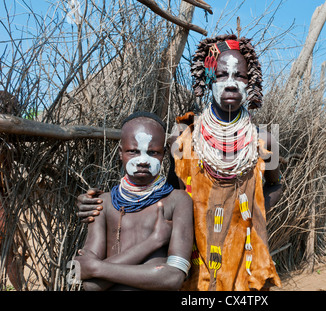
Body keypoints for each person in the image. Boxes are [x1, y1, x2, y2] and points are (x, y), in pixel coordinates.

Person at [77, 34, 282, 291]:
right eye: (221, 75)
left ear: (249, 81)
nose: (230, 84)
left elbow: (276, 186)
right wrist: (95, 203)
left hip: (247, 256)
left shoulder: (266, 140)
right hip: (194, 259)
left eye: (239, 76)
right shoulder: (182, 137)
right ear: (208, 79)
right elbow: (166, 190)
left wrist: (248, 216)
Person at [74, 111, 193, 291]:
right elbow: (90, 285)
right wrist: (154, 241)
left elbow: (173, 278)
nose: (143, 160)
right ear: (121, 153)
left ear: (163, 155)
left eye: (152, 152)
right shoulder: (103, 203)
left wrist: (98, 268)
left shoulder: (177, 201)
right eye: (133, 151)